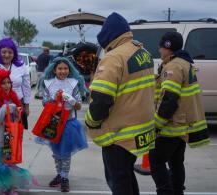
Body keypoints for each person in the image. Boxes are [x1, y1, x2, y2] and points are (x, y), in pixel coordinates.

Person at [84, 12, 155, 195]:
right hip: (140, 130)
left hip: (119, 135)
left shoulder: (114, 57)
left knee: (119, 182)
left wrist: (91, 122)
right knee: (126, 176)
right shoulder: (142, 52)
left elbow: (101, 99)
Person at [149, 31, 210, 195]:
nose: (159, 49)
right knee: (176, 163)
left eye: (161, 46)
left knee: (156, 161)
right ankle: (177, 191)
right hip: (182, 126)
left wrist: (156, 124)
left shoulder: (173, 66)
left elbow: (169, 100)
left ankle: (166, 192)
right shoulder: (185, 63)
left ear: (167, 47)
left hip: (171, 126)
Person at [0, 68, 37, 195]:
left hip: (10, 140)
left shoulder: (10, 99)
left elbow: (13, 121)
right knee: (1, 166)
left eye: (8, 82)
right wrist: (5, 109)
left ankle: (9, 187)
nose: (7, 86)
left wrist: (17, 113)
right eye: (3, 83)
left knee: (10, 165)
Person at [37, 57, 88, 192]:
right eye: (60, 68)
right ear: (54, 70)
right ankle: (59, 174)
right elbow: (44, 103)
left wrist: (70, 100)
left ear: (69, 70)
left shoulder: (73, 84)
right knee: (56, 152)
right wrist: (53, 99)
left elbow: (78, 106)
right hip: (52, 123)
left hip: (68, 123)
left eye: (65, 68)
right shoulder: (48, 84)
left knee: (65, 153)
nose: (63, 71)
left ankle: (65, 177)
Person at [0, 38, 31, 129]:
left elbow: (26, 87)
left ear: (14, 53)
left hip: (17, 104)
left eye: (10, 52)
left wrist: (26, 106)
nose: (7, 55)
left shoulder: (21, 65)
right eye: (4, 52)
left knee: (15, 134)